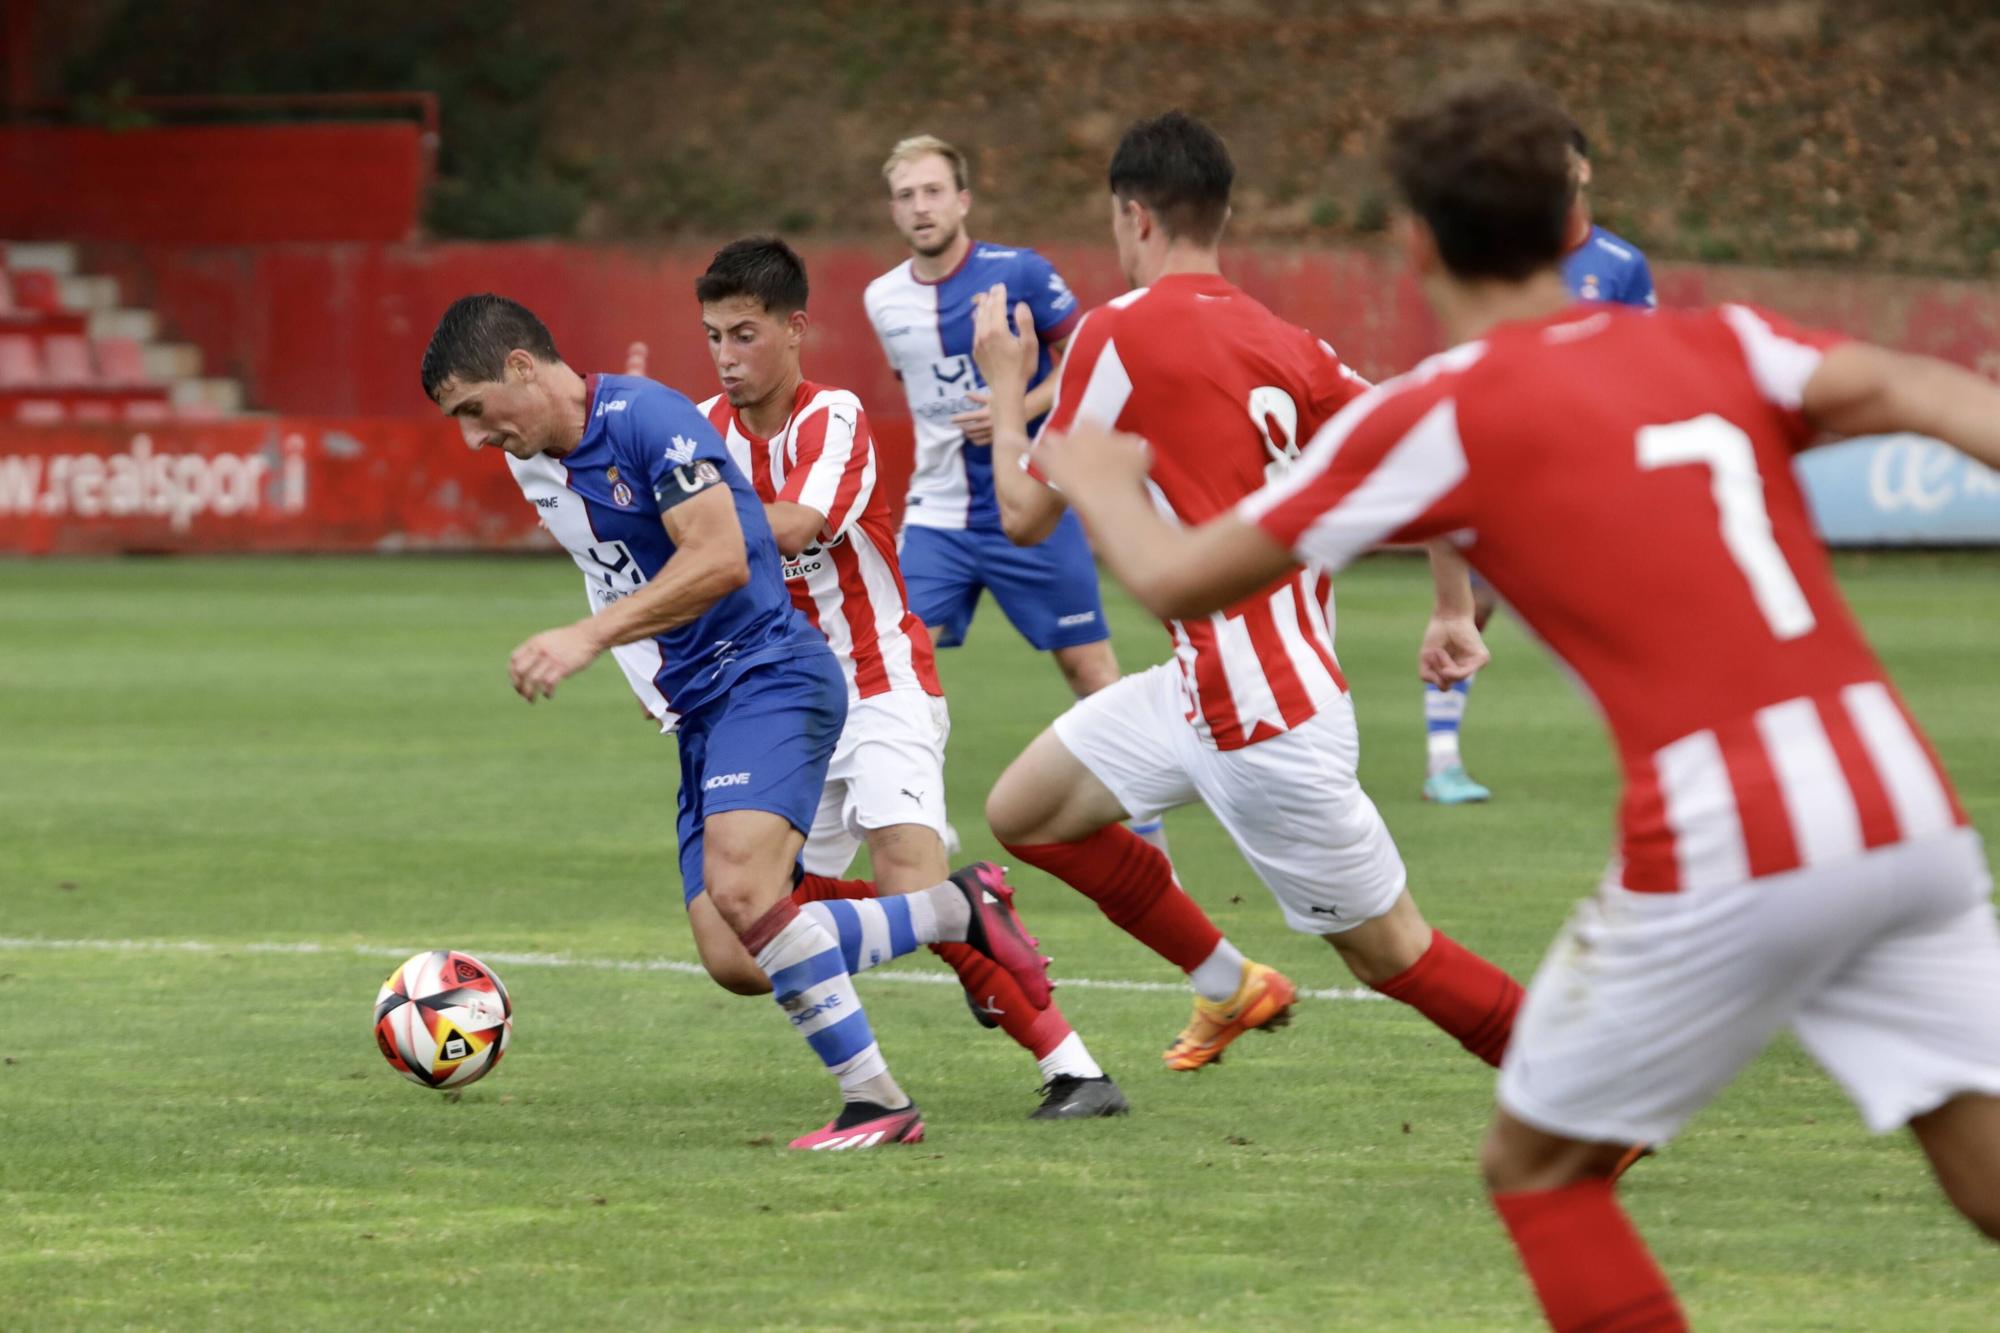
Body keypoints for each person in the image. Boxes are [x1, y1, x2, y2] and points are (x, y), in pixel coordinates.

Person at [1034, 80, 2000, 1331]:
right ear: (1570, 226)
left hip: (1732, 823)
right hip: (1902, 800)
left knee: (1537, 1170)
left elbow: (1171, 572)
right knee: (1981, 1180)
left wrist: (1098, 476)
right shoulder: (1724, 342)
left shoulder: (1446, 413)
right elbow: (1934, 396)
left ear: (1415, 243)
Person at [419, 294, 1055, 1150]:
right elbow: (615, 567)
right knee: (736, 953)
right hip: (698, 706)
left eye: (472, 410)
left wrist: (588, 639)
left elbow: (721, 556)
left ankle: (878, 1100)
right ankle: (954, 909)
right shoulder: (538, 461)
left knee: (747, 889)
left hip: (769, 671)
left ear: (523, 367)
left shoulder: (652, 418)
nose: (471, 437)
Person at [971, 111, 1525, 1078]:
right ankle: (1229, 982)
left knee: (1393, 950)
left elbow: (1023, 513)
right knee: (1027, 810)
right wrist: (1449, 606)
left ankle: (1579, 1096)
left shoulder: (1115, 333)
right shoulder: (1284, 342)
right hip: (1210, 683)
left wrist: (1009, 391)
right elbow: (1426, 456)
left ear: (1134, 216)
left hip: (1263, 718)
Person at [689, 236, 1127, 1119]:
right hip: (781, 704)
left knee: (908, 875)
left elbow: (791, 523)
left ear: (795, 328)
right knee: (743, 947)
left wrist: (683, 515)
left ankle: (1074, 1071)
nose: (727, 359)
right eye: (712, 338)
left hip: (876, 675)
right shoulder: (702, 427)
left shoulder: (834, 416)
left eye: (744, 334)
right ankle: (967, 911)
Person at [863, 135, 1168, 853]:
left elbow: (1088, 360)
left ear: (963, 199)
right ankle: (919, 824)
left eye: (934, 191)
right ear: (893, 210)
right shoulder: (882, 298)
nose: (921, 207)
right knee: (898, 664)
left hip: (1030, 498)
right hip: (937, 514)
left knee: (1092, 671)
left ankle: (1154, 840)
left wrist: (1018, 404)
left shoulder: (1019, 272)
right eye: (906, 196)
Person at [1419, 115, 1660, 807]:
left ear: (1583, 171)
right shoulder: (1502, 261)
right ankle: (1443, 759)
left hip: (1593, 466)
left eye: (1562, 164)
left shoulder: (1621, 264)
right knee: (1474, 601)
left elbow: (1639, 363)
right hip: (1513, 462)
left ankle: (1657, 757)